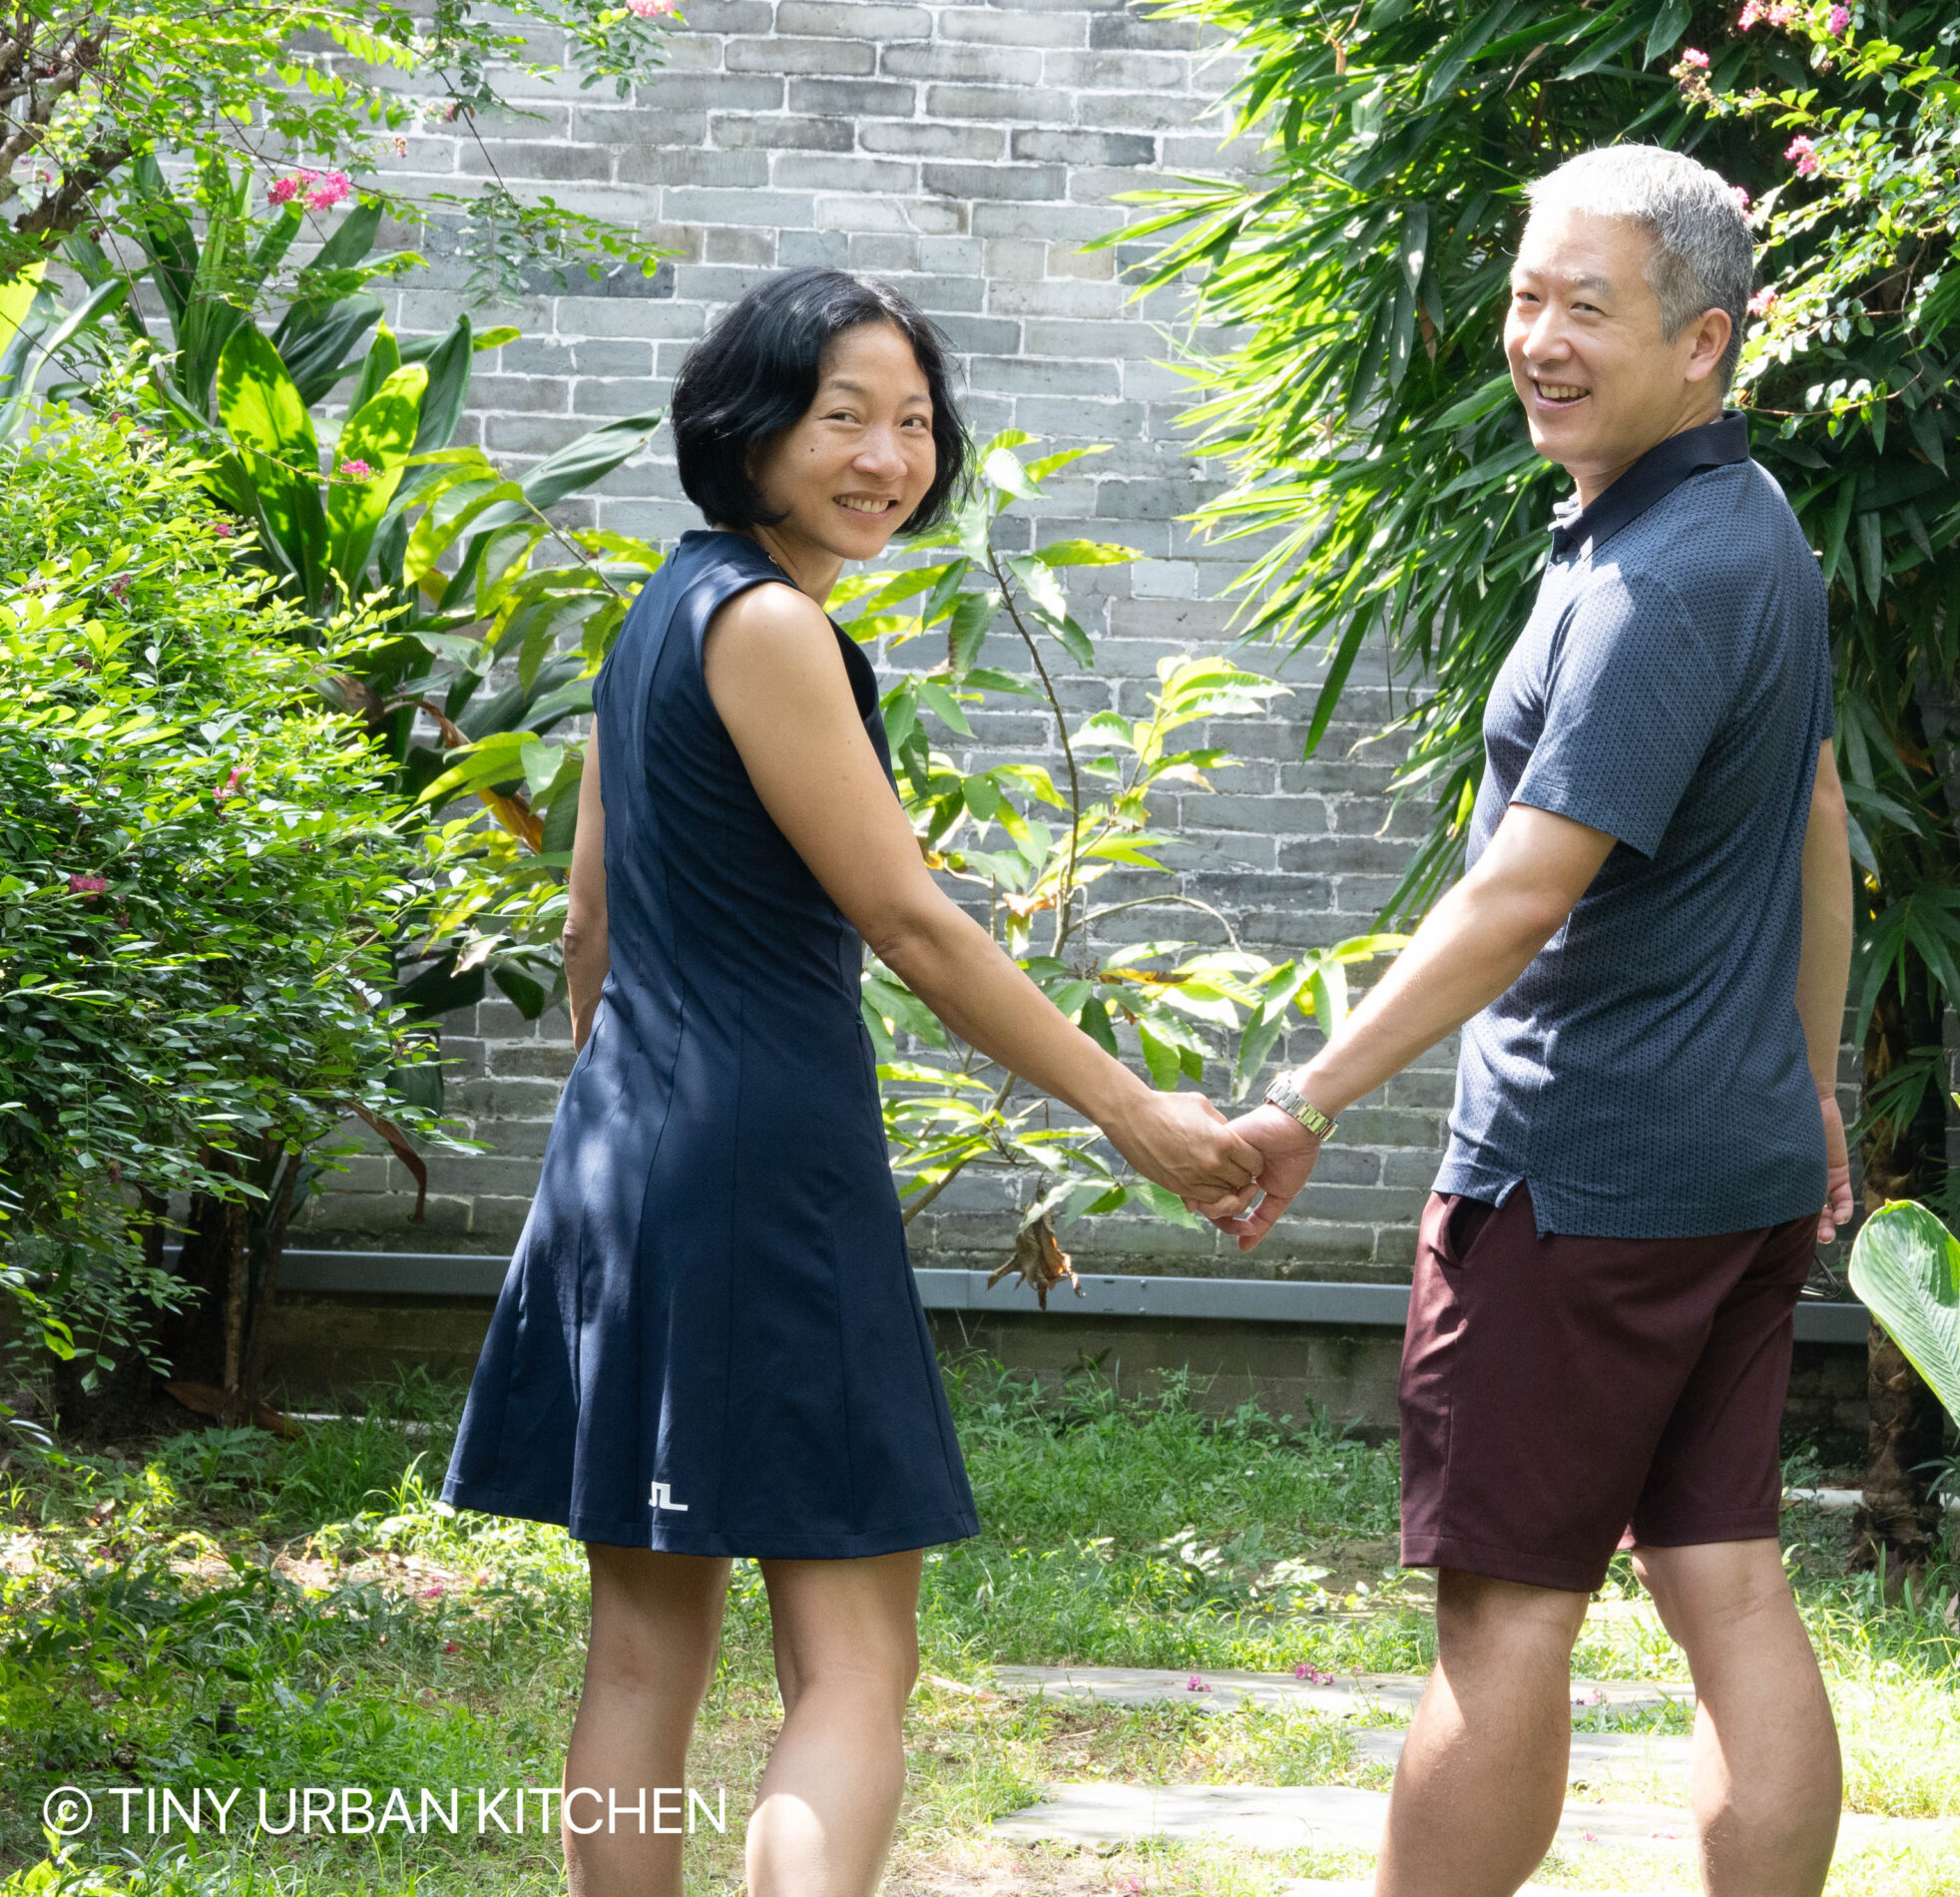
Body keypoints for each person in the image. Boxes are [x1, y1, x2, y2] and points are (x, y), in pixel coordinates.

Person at [439, 268, 1267, 1897]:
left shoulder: (656, 617)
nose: (892, 454)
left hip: (631, 1152)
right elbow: (910, 923)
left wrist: (637, 1152)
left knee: (636, 1661)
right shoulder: (768, 624)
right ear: (746, 431)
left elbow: (590, 933)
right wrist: (1143, 1115)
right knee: (853, 1664)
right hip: (760, 1165)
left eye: (915, 422)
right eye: (844, 418)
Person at [1225, 145, 1855, 1897]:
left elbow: (1522, 889)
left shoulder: (1661, 581)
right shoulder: (1746, 528)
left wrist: (1311, 1099)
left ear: (1707, 342)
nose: (1539, 339)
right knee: (1724, 1574)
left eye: (1591, 307)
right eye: (1524, 295)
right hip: (1726, 1162)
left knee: (1507, 1614)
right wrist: (1809, 1092)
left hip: (1579, 1182)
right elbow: (1818, 825)